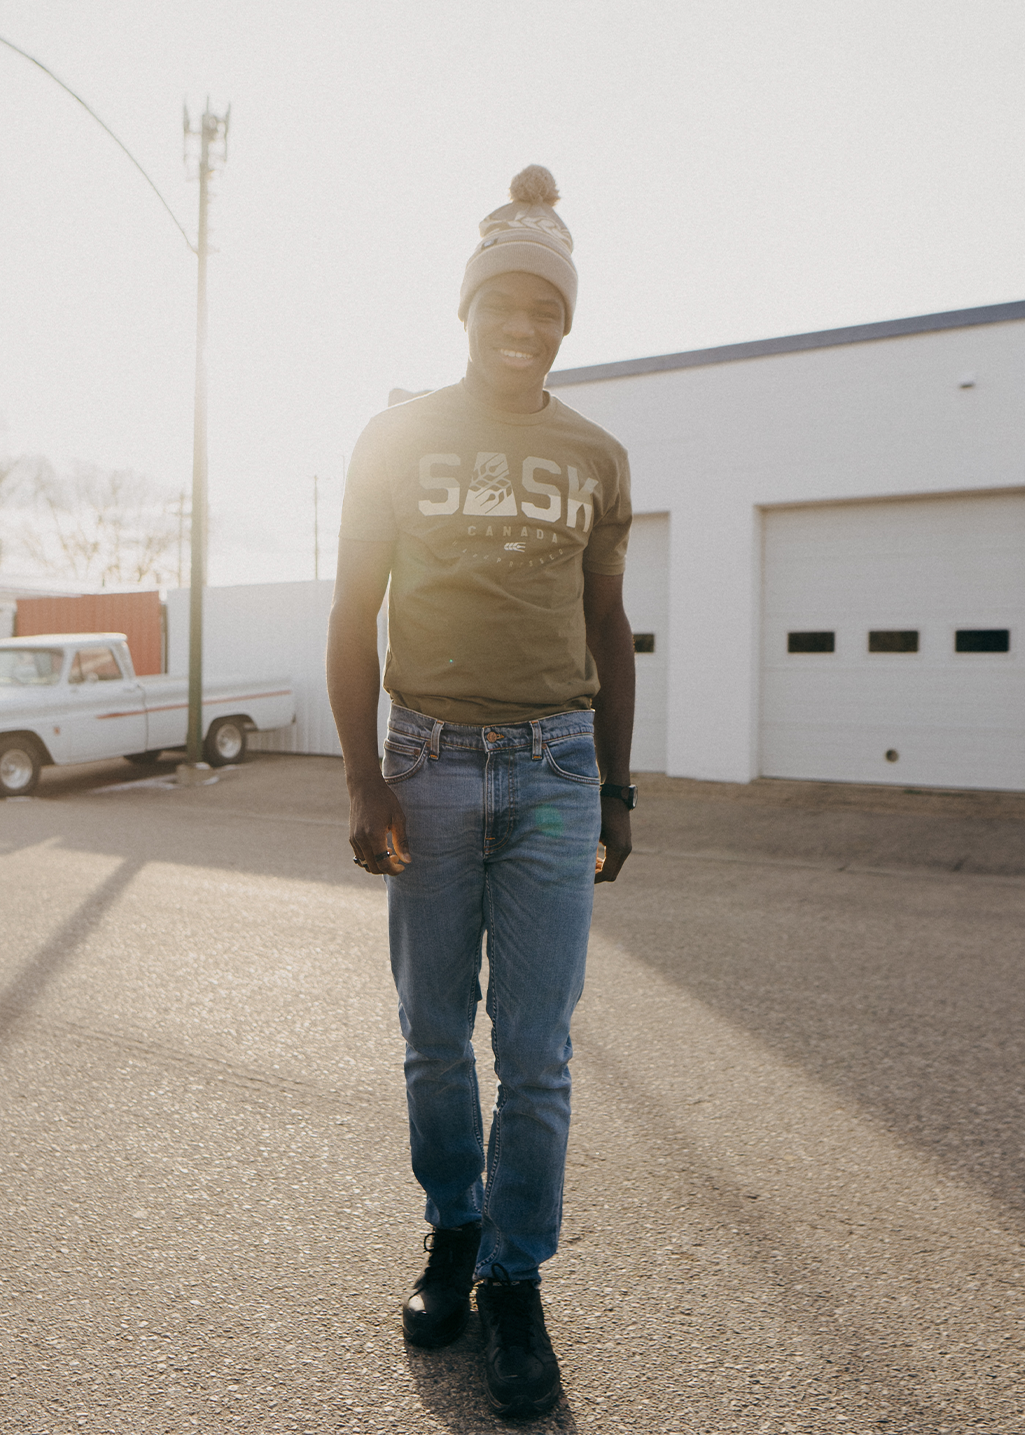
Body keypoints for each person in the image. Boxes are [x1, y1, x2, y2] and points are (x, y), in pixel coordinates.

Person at [326, 165, 635, 1421]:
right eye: (504, 307)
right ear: (466, 310)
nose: (524, 329)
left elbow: (608, 626)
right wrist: (362, 775)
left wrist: (618, 790)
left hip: (559, 770)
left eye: (547, 313)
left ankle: (514, 1278)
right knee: (433, 1038)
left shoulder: (595, 454)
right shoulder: (395, 438)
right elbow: (353, 612)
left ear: (565, 324)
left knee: (538, 1051)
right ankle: (453, 1229)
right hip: (431, 764)